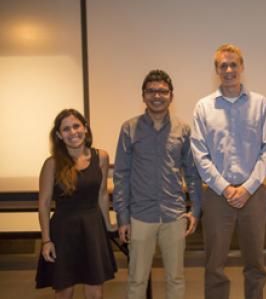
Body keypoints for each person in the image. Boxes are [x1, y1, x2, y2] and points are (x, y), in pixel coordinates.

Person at [191, 44, 266, 299]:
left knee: (256, 263)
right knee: (215, 264)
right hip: (217, 196)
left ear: (242, 67)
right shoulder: (203, 107)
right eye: (223, 66)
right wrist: (225, 188)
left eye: (233, 64)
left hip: (254, 194)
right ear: (216, 70)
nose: (229, 70)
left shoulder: (260, 104)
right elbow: (199, 153)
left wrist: (247, 188)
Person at [113, 69, 201, 299]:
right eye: (151, 91)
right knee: (137, 280)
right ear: (143, 96)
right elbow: (121, 175)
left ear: (171, 96)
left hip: (174, 215)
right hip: (140, 216)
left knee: (176, 278)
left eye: (162, 91)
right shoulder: (129, 128)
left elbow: (192, 174)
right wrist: (122, 217)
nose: (157, 96)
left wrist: (196, 210)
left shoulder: (183, 130)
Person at [36, 109, 117, 299]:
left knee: (95, 291)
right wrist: (46, 240)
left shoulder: (102, 157)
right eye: (66, 129)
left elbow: (102, 194)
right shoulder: (52, 164)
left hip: (92, 228)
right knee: (65, 290)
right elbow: (44, 203)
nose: (73, 132)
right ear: (58, 135)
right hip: (63, 231)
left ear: (85, 128)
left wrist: (107, 225)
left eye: (76, 126)